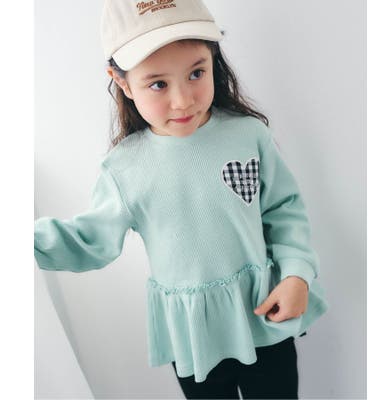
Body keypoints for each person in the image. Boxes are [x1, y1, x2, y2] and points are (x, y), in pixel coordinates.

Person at [34, 0, 329, 398]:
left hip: (264, 313)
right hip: (193, 336)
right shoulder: (125, 169)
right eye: (158, 84)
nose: (183, 100)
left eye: (196, 73)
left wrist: (296, 273)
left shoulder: (248, 136)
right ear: (122, 82)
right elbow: (89, 239)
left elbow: (283, 209)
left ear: (213, 60)